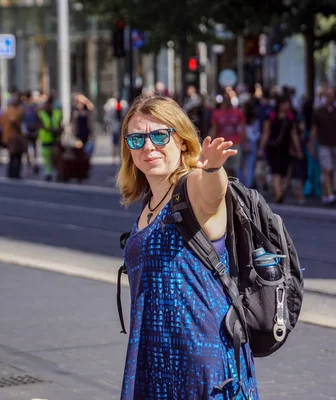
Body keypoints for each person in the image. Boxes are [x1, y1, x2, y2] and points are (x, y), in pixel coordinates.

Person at [117, 94, 259, 399]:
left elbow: (211, 193)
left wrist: (212, 170)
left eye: (159, 135)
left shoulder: (191, 185)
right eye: (136, 138)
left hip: (200, 357)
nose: (148, 146)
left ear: (181, 140)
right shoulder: (149, 203)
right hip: (153, 354)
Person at [258, 97, 302, 203]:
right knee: (276, 171)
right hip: (273, 147)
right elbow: (266, 133)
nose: (286, 107)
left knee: (283, 171)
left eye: (287, 104)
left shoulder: (290, 117)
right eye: (284, 104)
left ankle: (278, 190)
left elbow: (293, 134)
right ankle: (278, 194)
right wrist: (261, 148)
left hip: (285, 147)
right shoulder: (271, 116)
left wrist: (298, 149)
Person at [309, 88, 336, 205]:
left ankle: (327, 192)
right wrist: (311, 143)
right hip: (323, 144)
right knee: (327, 168)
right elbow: (314, 130)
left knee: (332, 169)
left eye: (332, 95)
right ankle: (330, 194)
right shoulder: (319, 112)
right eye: (328, 95)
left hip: (335, 144)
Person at [210, 92, 246, 177]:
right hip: (222, 144)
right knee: (223, 168)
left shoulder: (238, 112)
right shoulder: (217, 113)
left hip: (235, 143)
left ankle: (234, 186)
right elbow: (214, 129)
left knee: (234, 168)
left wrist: (246, 141)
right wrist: (212, 143)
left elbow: (242, 129)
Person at [38, 96, 63, 181]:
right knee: (47, 158)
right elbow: (42, 126)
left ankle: (58, 173)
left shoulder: (57, 113)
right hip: (46, 140)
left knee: (56, 157)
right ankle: (48, 174)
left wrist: (59, 130)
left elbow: (60, 125)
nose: (47, 107)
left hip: (55, 140)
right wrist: (53, 130)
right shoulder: (42, 114)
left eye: (49, 105)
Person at [0, 96, 26, 179]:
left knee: (12, 155)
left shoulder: (6, 111)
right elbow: (14, 120)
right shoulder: (18, 111)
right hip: (16, 136)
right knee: (17, 156)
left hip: (7, 136)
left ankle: (11, 172)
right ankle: (16, 173)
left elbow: (0, 122)